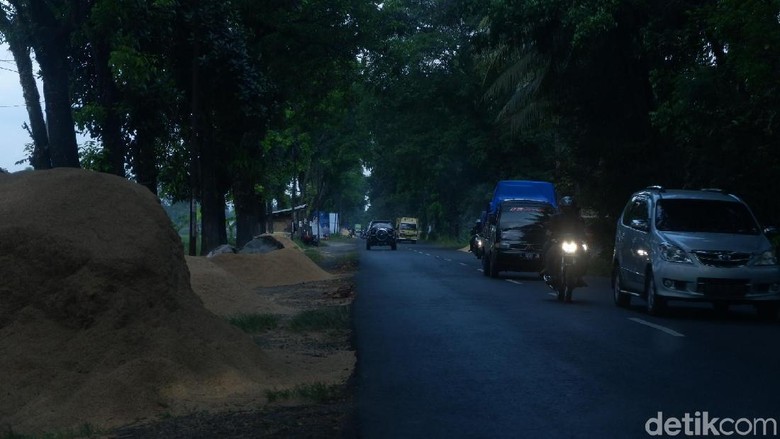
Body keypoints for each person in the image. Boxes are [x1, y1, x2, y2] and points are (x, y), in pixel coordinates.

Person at [541, 196, 588, 286]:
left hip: (574, 242)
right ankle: (548, 270)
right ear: (562, 207)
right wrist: (550, 233)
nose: (568, 210)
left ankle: (579, 276)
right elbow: (550, 228)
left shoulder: (578, 219)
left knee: (585, 253)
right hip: (558, 241)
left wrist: (584, 238)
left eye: (569, 207)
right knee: (547, 248)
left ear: (573, 207)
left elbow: (582, 231)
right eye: (565, 207)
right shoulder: (555, 217)